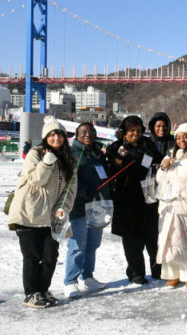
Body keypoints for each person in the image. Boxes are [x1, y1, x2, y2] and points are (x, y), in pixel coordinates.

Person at [8, 116, 77, 308]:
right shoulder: (35, 154)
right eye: (52, 134)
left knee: (50, 257)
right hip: (29, 212)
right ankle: (31, 293)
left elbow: (70, 189)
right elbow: (36, 180)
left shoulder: (69, 159)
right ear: (45, 137)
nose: (56, 138)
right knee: (32, 256)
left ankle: (43, 290)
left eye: (60, 134)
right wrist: (47, 162)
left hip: (53, 216)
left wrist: (63, 207)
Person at [105, 115, 164, 285]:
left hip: (149, 197)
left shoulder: (147, 143)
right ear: (124, 131)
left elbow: (158, 159)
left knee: (152, 237)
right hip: (127, 199)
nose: (135, 134)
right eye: (132, 130)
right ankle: (136, 272)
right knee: (132, 239)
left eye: (138, 130)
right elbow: (111, 169)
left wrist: (159, 165)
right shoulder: (115, 147)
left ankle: (157, 269)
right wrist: (119, 158)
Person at [63, 123, 109, 299]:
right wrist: (84, 191)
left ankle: (87, 276)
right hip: (79, 206)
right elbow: (67, 179)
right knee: (78, 245)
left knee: (93, 244)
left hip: (97, 206)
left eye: (91, 132)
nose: (87, 134)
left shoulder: (97, 153)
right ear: (77, 135)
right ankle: (70, 281)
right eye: (83, 132)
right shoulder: (72, 153)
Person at [155, 123, 187, 289]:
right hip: (168, 205)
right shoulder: (169, 156)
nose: (182, 140)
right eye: (179, 137)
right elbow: (160, 180)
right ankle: (171, 275)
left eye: (185, 137)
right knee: (167, 240)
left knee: (184, 240)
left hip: (184, 203)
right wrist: (163, 167)